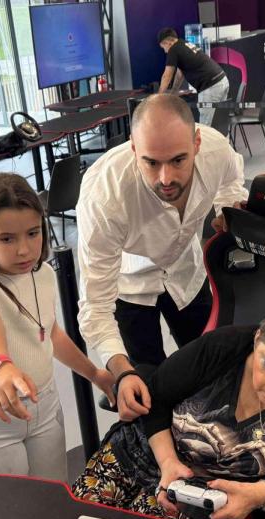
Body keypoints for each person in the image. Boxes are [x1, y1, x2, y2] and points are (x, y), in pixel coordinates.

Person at [71, 298, 265, 519]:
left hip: (202, 492)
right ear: (257, 338)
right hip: (143, 453)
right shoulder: (223, 347)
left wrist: (259, 494)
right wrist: (168, 462)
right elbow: (156, 396)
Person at [76, 94, 247, 421]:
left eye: (178, 160)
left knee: (211, 369)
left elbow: (232, 179)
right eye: (151, 162)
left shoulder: (216, 150)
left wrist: (228, 208)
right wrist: (122, 371)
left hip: (187, 272)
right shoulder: (104, 198)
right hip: (130, 287)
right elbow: (96, 306)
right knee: (148, 390)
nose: (166, 178)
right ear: (133, 148)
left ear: (197, 143)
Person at [0, 173, 116, 479]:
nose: (24, 249)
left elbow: (49, 333)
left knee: (52, 496)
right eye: (6, 239)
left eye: (33, 233)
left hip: (44, 403)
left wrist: (95, 374)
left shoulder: (43, 273)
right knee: (11, 509)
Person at [157, 27, 230, 126]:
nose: (165, 51)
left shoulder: (173, 50)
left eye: (163, 48)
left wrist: (159, 97)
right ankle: (223, 141)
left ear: (167, 43)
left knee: (206, 127)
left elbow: (167, 75)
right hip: (222, 80)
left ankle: (207, 141)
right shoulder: (184, 44)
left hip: (210, 86)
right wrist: (174, 92)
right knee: (220, 123)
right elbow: (179, 74)